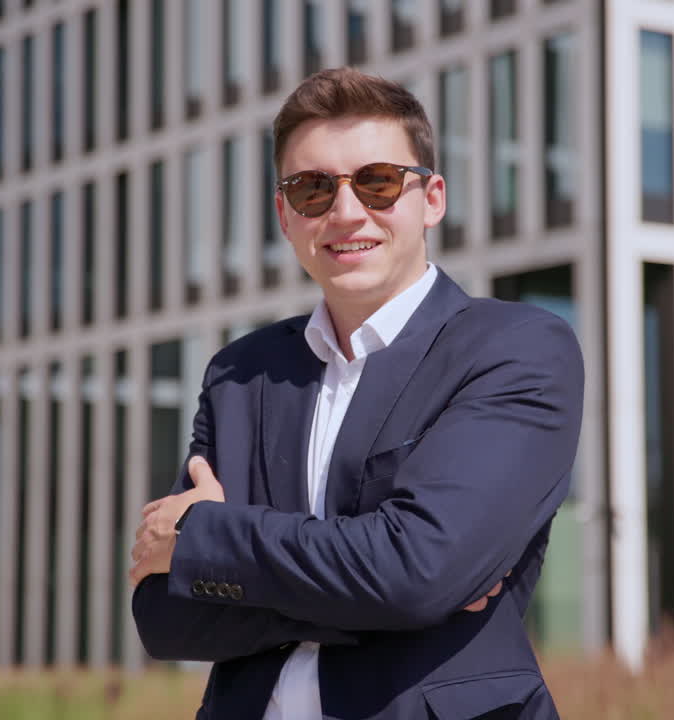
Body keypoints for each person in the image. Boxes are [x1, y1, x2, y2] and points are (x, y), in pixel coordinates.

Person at [130, 67, 583, 720]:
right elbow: (165, 618)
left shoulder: (514, 349)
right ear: (285, 215)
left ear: (432, 198)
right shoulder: (241, 374)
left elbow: (416, 573)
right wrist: (376, 583)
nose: (345, 211)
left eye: (377, 182)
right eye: (312, 188)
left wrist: (207, 537)